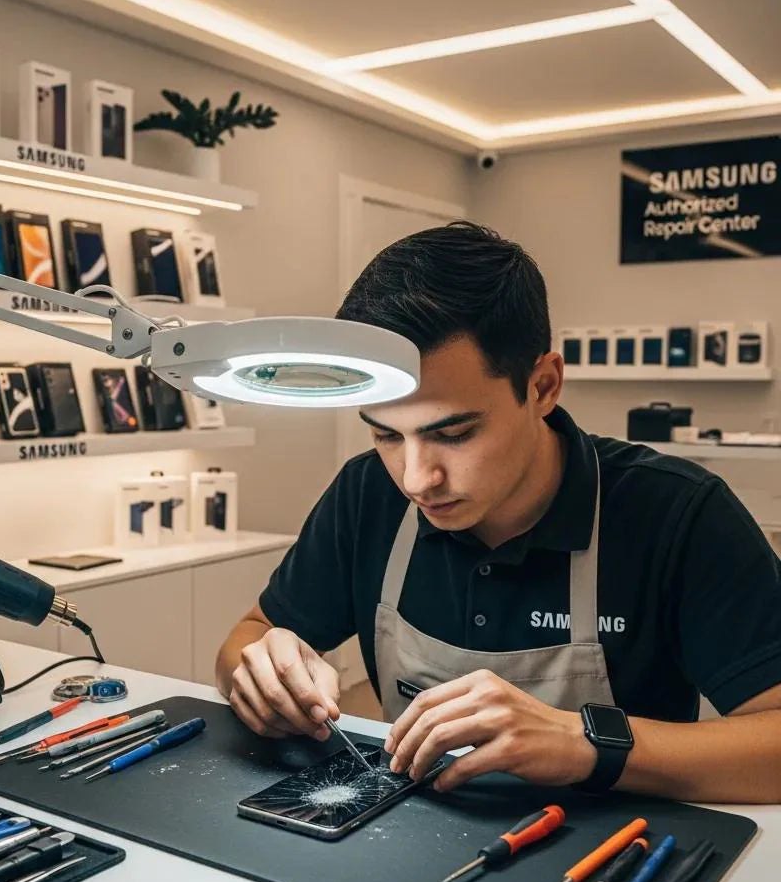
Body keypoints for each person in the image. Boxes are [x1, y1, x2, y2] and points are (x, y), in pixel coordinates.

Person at [215, 221, 781, 804]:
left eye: (454, 433)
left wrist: (585, 742)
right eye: (386, 435)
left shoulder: (678, 514)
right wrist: (262, 678)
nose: (416, 479)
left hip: (618, 858)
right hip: (406, 838)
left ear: (542, 386)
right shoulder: (367, 493)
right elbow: (250, 636)